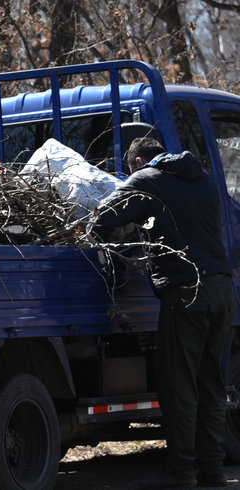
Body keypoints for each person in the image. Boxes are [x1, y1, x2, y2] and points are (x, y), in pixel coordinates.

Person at [93, 137, 235, 489]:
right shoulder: (201, 178)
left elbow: (101, 219)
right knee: (212, 385)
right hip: (221, 291)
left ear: (139, 161)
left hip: (186, 293)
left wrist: (135, 228)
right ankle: (213, 472)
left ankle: (181, 473)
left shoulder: (145, 180)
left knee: (180, 385)